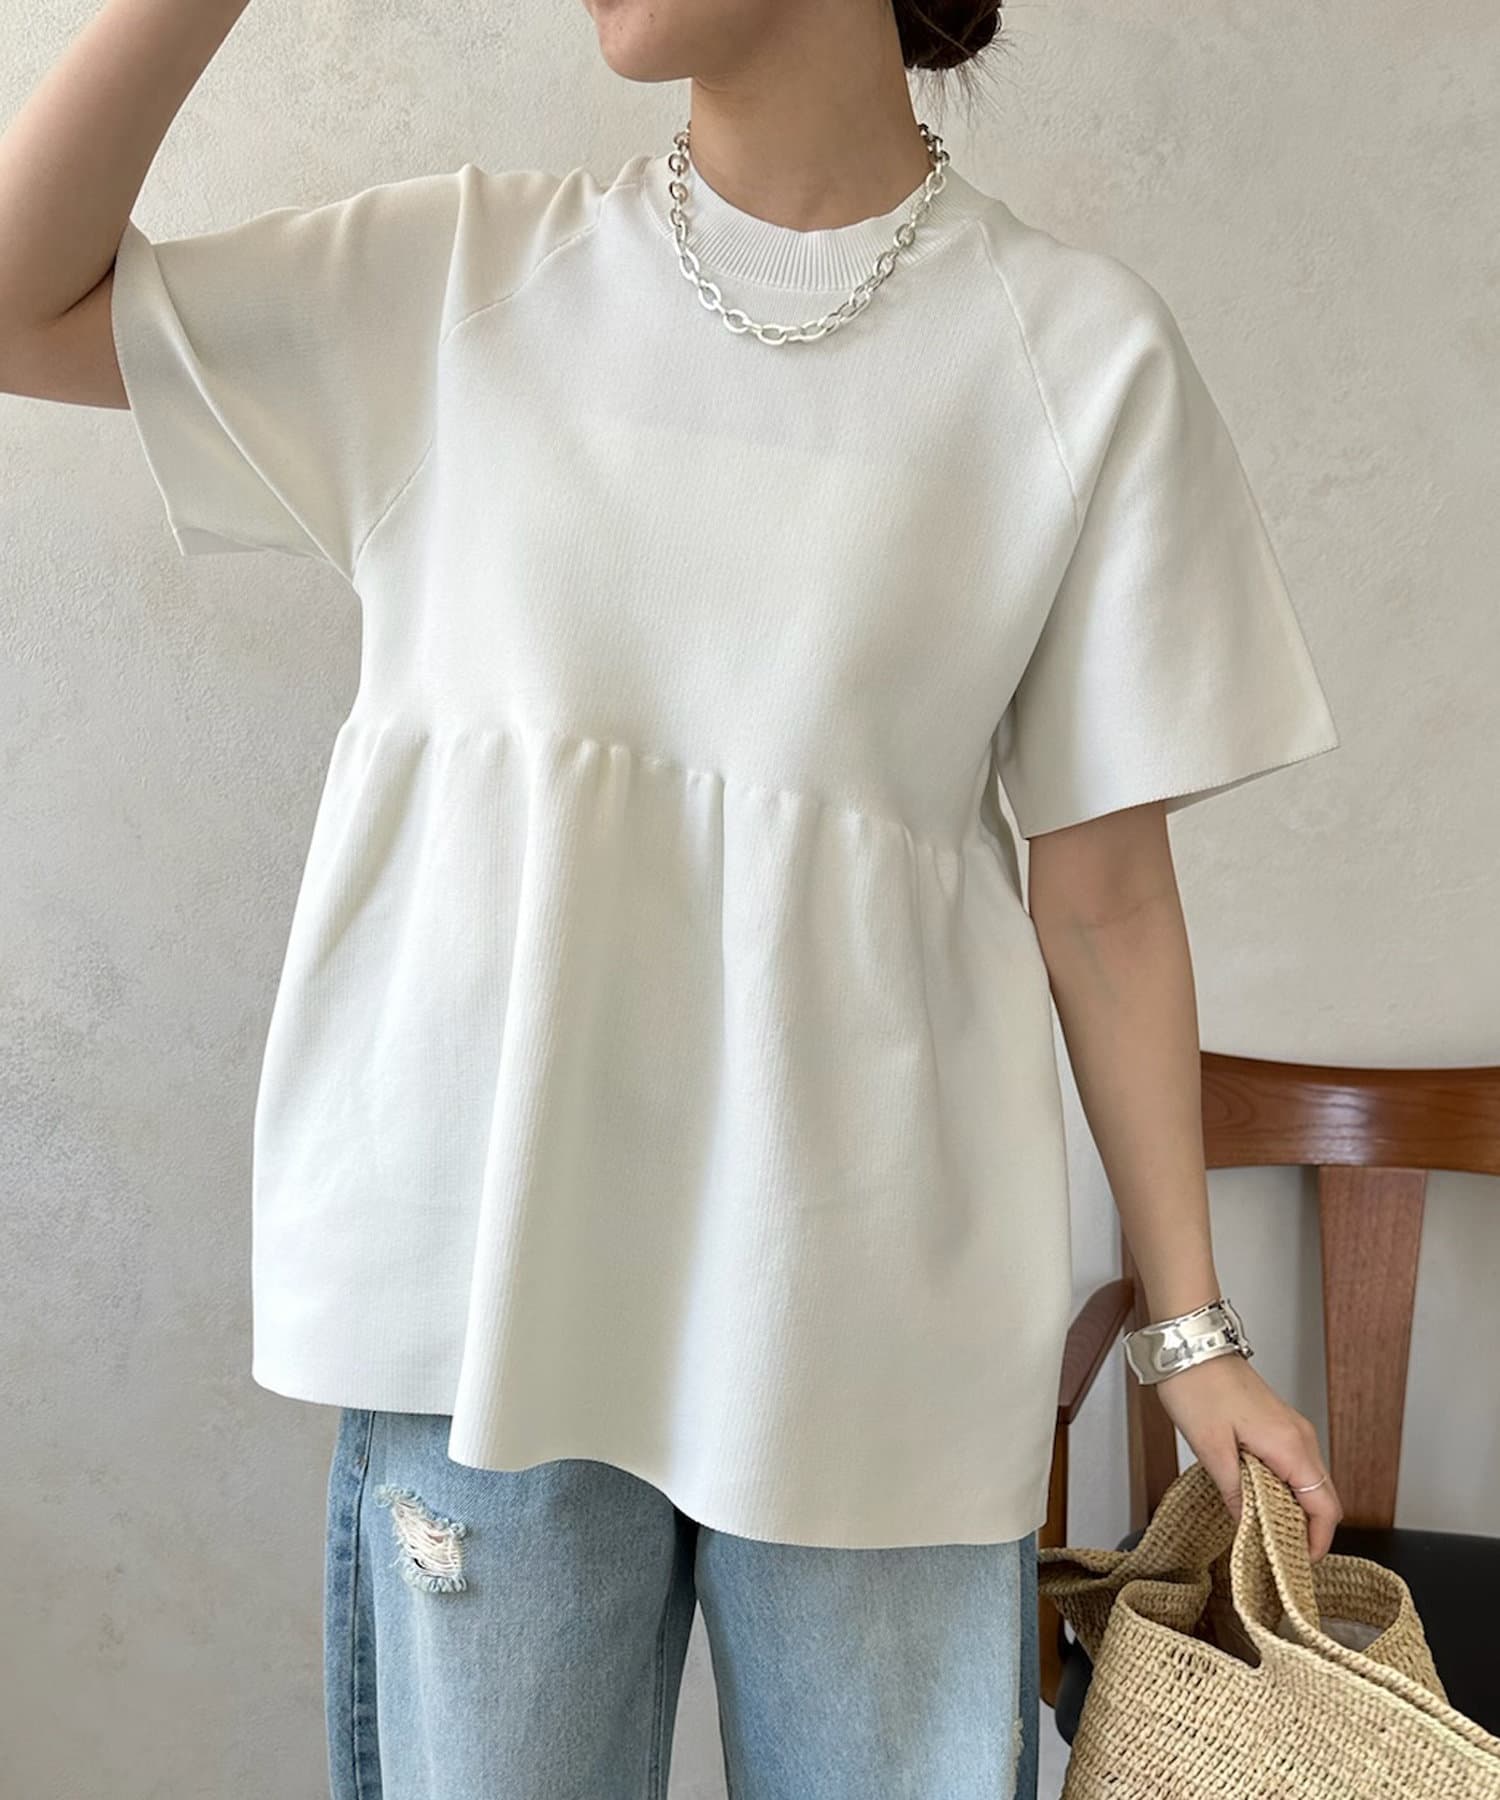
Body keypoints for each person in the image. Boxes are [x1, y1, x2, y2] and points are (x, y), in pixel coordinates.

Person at [0, 0, 1348, 1794]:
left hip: (878, 1314)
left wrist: (1191, 1337)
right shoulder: (454, 283)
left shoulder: (1074, 358)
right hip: (488, 1295)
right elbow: (19, 302)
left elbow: (1103, 903)